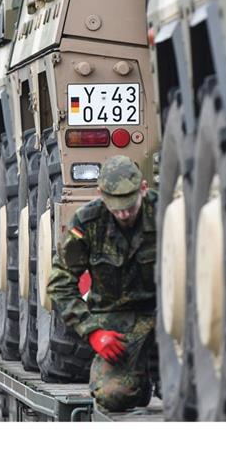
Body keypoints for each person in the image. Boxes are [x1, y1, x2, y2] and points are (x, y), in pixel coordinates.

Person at [47, 155, 158, 412]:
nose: (123, 213)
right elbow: (60, 283)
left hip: (163, 316)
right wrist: (93, 331)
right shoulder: (87, 223)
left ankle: (158, 371)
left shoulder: (165, 214)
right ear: (100, 193)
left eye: (129, 205)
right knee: (111, 396)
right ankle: (139, 383)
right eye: (115, 206)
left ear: (143, 188)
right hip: (116, 323)